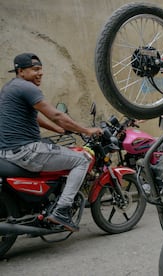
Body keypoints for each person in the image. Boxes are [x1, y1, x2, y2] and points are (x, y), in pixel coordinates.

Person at [0, 53, 103, 232]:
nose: (40, 73)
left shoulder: (10, 87)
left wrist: (59, 130)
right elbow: (56, 115)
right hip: (25, 151)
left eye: (41, 69)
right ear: (21, 71)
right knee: (82, 159)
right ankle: (61, 210)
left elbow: (36, 118)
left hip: (8, 152)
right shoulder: (28, 88)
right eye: (35, 70)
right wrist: (86, 130)